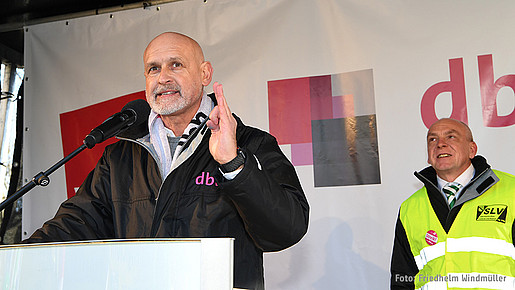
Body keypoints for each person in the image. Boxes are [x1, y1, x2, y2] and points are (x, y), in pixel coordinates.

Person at [24, 32, 310, 290]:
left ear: (205, 73)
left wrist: (234, 165)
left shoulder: (250, 143)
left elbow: (287, 229)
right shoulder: (120, 156)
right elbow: (76, 223)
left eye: (176, 65)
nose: (163, 78)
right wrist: (18, 257)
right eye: (153, 68)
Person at [390, 118, 515, 289]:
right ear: (428, 155)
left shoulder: (511, 191)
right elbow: (402, 278)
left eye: (451, 137)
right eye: (432, 139)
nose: (440, 144)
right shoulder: (410, 208)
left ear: (472, 150)